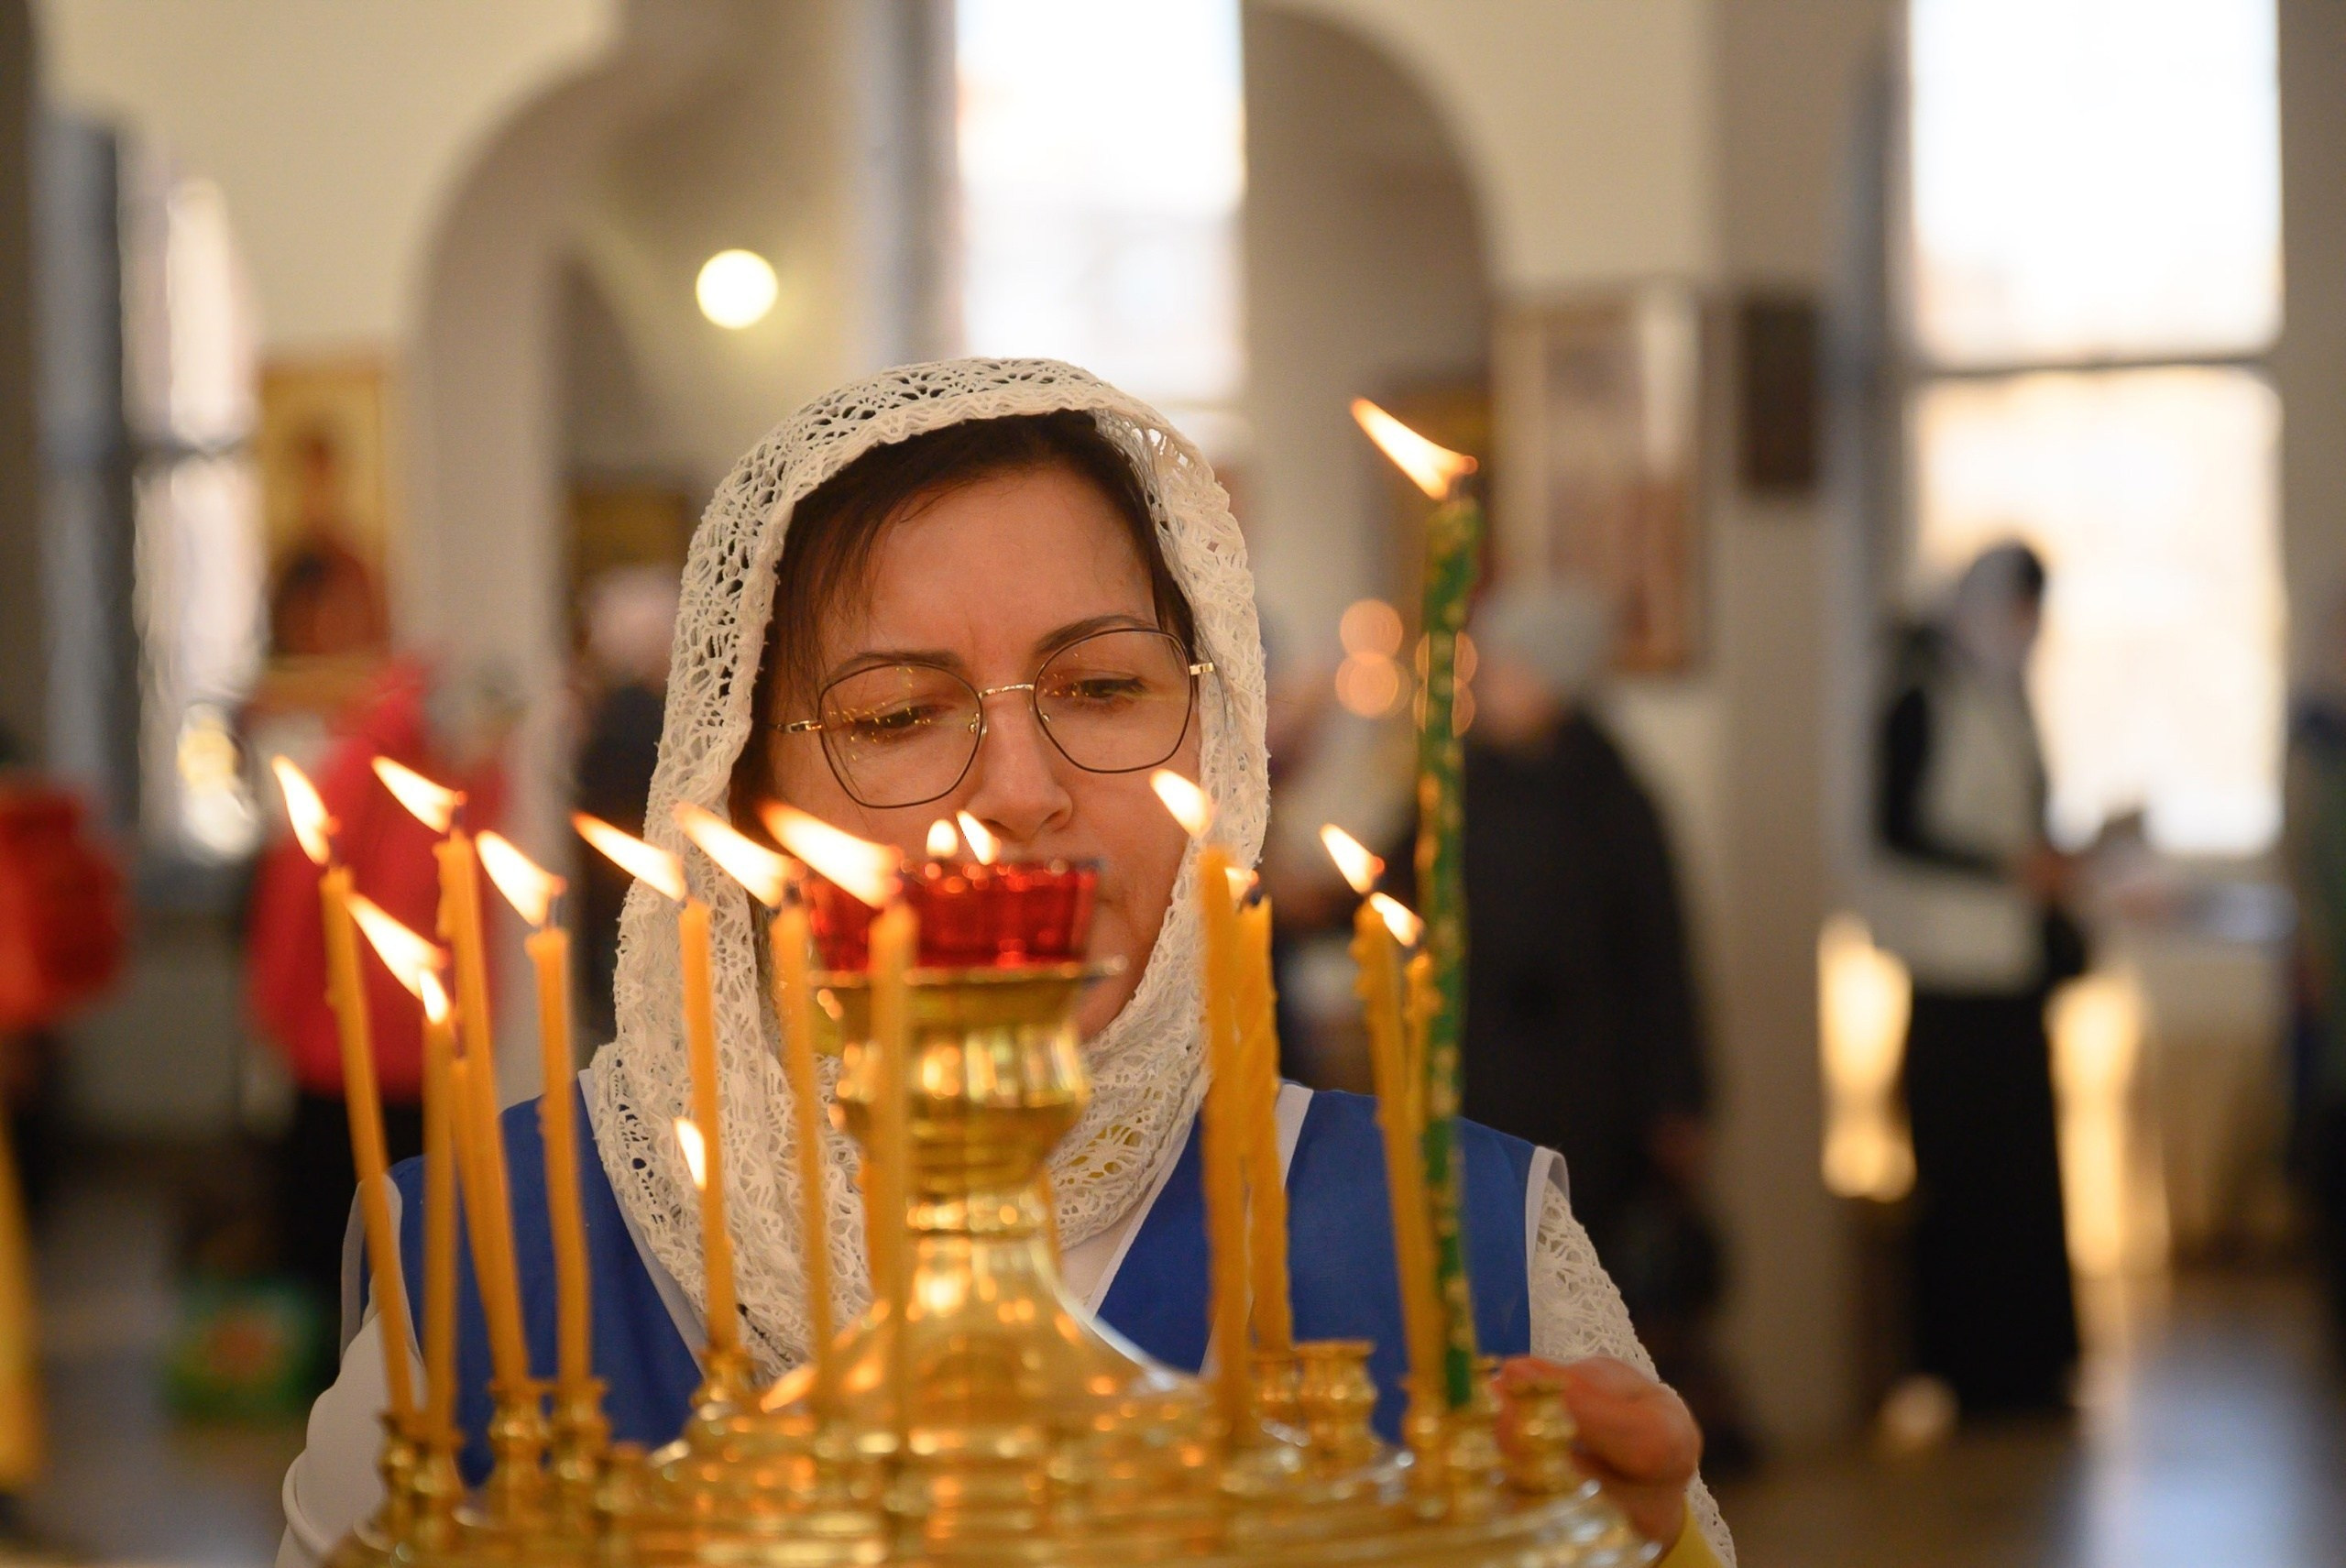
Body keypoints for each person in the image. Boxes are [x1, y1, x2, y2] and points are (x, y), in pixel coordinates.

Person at [275, 361, 1732, 1565]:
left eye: (1105, 689)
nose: (1020, 792)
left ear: (1209, 739)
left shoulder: (1461, 1248)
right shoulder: (490, 1259)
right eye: (900, 716)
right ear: (739, 797)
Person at [1453, 583, 1746, 1471]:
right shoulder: (1467, 780)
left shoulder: (1614, 796)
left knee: (1582, 1274)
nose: (1485, 684)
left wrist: (1677, 1098)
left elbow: (1661, 955)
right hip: (1488, 1074)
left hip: (1592, 1084)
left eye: (1502, 667)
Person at [1873, 541, 2081, 1418]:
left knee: (2025, 1170)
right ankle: (1968, 1366)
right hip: (1953, 975)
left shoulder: (2005, 695)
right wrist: (2007, 866)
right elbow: (1895, 823)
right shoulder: (1920, 696)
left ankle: (2032, 1363)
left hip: (2013, 971)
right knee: (1964, 1175)